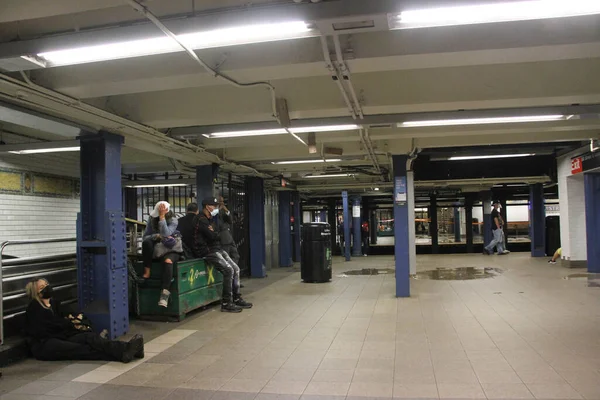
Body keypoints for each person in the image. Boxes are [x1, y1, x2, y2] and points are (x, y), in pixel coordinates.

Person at [24, 278, 144, 363]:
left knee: (89, 337)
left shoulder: (54, 303)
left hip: (63, 335)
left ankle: (128, 349)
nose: (46, 288)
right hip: (46, 344)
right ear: (37, 293)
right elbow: (46, 329)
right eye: (42, 287)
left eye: (46, 284)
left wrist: (72, 321)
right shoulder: (34, 308)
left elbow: (67, 317)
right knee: (81, 348)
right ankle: (127, 351)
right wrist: (67, 323)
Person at [193, 197, 252, 313]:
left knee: (236, 268)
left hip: (216, 248)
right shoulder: (200, 219)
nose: (215, 207)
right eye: (213, 205)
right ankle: (226, 302)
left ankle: (236, 297)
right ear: (207, 206)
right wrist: (215, 233)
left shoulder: (209, 219)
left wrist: (214, 233)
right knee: (228, 270)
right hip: (207, 251)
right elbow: (213, 236)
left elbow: (215, 233)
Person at [142, 201, 183, 307]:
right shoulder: (151, 219)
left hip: (172, 249)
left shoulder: (173, 219)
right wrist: (155, 236)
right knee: (147, 243)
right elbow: (145, 237)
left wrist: (162, 218)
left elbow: (166, 233)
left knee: (168, 261)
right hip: (159, 249)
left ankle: (164, 294)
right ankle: (147, 271)